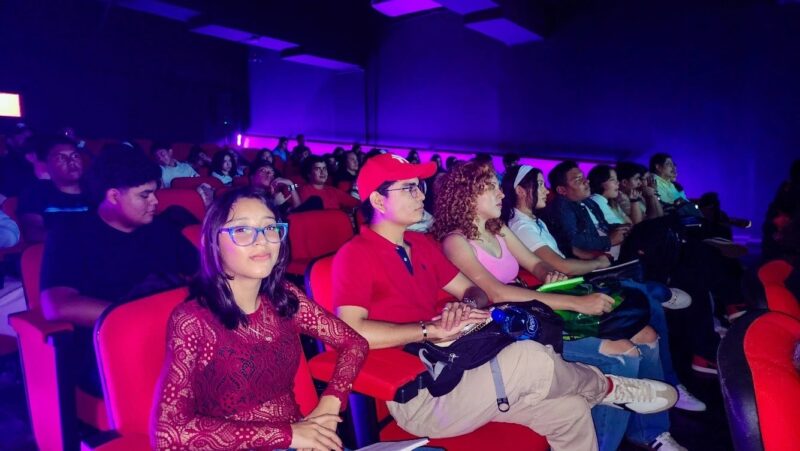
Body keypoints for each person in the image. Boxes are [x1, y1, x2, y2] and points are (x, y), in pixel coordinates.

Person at [332, 153, 678, 451]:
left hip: (457, 362)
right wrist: (429, 330)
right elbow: (351, 331)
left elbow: (475, 291)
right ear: (378, 201)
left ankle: (602, 389)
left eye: (420, 185)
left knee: (571, 411)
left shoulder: (420, 246)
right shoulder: (354, 255)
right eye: (408, 188)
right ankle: (607, 386)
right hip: (420, 394)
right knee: (530, 357)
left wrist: (464, 306)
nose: (421, 194)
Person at [434, 161, 686, 450]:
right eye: (491, 187)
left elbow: (535, 264)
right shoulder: (455, 242)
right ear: (467, 194)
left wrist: (549, 275)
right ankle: (605, 443)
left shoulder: (498, 228)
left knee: (646, 335)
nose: (501, 194)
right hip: (508, 330)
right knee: (622, 353)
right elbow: (497, 293)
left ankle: (647, 431)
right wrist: (575, 301)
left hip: (533, 311)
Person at [152, 188, 367, 450]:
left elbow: (354, 343)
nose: (262, 240)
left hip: (300, 440)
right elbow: (168, 434)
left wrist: (330, 403)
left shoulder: (283, 297)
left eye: (270, 228)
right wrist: (289, 435)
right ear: (213, 242)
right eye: (242, 229)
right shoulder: (193, 321)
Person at [503, 165, 705, 413]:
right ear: (521, 191)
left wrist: (594, 260)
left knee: (647, 324)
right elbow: (557, 266)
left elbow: (563, 256)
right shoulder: (521, 226)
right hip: (566, 290)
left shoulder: (535, 220)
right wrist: (597, 262)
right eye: (539, 184)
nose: (546, 189)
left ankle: (661, 401)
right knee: (643, 301)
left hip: (573, 282)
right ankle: (668, 382)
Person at [40, 144, 200, 397]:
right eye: (145, 195)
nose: (155, 201)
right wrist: (144, 318)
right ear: (114, 196)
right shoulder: (70, 234)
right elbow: (58, 305)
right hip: (108, 347)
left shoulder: (160, 228)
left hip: (172, 338)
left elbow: (201, 273)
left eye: (154, 193)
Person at [17, 135, 90, 243]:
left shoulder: (94, 192)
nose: (71, 162)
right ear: (45, 165)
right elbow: (34, 233)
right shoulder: (35, 193)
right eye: (61, 158)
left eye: (75, 156)